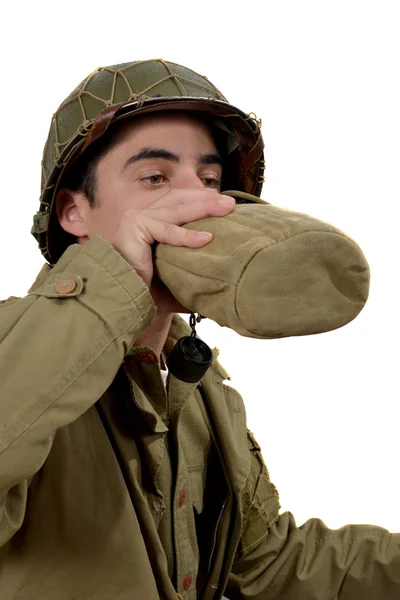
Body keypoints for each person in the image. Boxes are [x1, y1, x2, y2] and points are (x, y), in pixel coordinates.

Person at [0, 58, 398, 600]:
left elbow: (265, 562)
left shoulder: (197, 385)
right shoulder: (14, 344)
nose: (199, 202)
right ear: (74, 212)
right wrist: (111, 283)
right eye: (155, 177)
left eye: (211, 181)